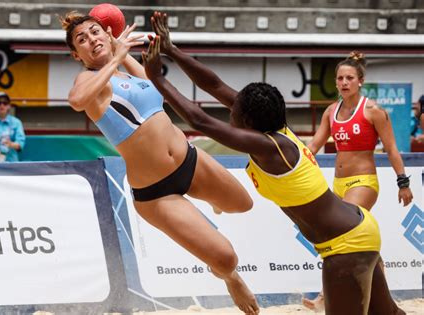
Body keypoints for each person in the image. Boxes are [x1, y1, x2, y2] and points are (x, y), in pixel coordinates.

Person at [143, 12, 405, 314]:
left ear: (248, 121)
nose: (230, 111)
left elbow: (201, 121)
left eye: (234, 112)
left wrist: (158, 78)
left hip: (346, 244)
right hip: (357, 229)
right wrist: (172, 49)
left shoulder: (270, 147)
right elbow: (214, 84)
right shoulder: (276, 131)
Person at [60, 11, 259, 315]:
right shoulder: (88, 80)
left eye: (96, 32)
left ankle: (210, 199)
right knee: (226, 259)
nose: (91, 39)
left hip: (189, 160)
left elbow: (154, 84)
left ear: (108, 35)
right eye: (82, 39)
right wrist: (115, 56)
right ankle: (231, 279)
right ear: (77, 54)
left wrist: (121, 53)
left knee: (243, 205)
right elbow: (76, 100)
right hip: (157, 193)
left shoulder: (127, 72)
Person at [301, 51, 414, 310]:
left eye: (349, 77)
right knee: (363, 243)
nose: (344, 82)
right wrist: (296, 160)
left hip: (363, 182)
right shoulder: (331, 110)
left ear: (360, 80)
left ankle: (323, 297)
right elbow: (316, 143)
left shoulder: (373, 111)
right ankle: (385, 301)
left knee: (343, 234)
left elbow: (392, 149)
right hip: (339, 183)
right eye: (340, 78)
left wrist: (403, 183)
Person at [0, 91, 26, 162]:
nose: (2, 105)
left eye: (5, 103)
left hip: (11, 161)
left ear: (9, 106)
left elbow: (21, 144)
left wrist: (11, 144)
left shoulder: (16, 122)